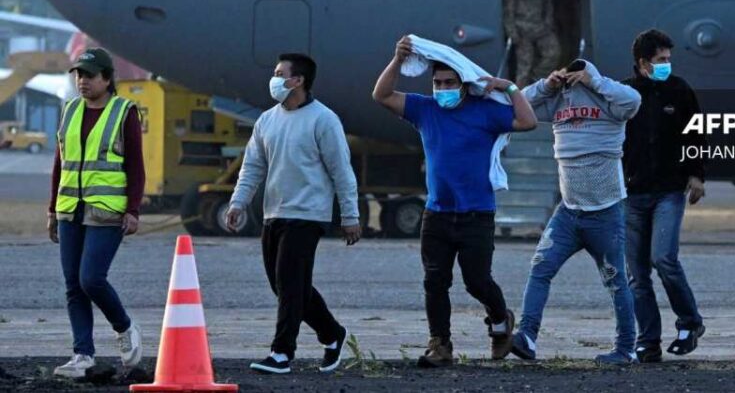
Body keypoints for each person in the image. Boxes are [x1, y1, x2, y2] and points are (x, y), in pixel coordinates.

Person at [373, 35, 538, 367]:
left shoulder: (485, 112)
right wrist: (397, 60)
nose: (443, 87)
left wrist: (508, 88)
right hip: (437, 214)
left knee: (477, 281)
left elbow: (527, 121)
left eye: (449, 82)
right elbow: (382, 94)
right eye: (437, 82)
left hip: (476, 214)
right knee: (435, 280)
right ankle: (440, 344)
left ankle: (499, 321)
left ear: (463, 84)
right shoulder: (426, 109)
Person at [227, 53, 361, 375]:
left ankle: (282, 353)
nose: (273, 79)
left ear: (297, 80)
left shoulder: (323, 120)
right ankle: (332, 333)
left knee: (289, 284)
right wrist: (237, 202)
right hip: (274, 212)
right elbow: (253, 166)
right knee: (285, 285)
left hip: (308, 214)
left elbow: (341, 170)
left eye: (279, 73)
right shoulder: (267, 120)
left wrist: (350, 215)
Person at [511, 60, 642, 365]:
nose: (574, 79)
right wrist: (547, 85)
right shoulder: (558, 100)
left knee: (615, 280)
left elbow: (634, 100)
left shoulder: (610, 101)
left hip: (605, 213)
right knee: (540, 268)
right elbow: (516, 105)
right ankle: (527, 337)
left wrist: (594, 80)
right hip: (568, 213)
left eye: (578, 73)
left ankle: (626, 349)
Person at [48, 48, 144, 379]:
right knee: (73, 285)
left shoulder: (124, 111)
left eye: (89, 75)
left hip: (106, 211)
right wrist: (52, 209)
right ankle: (82, 355)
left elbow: (135, 165)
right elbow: (60, 163)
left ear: (106, 78)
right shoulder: (70, 110)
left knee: (91, 278)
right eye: (78, 75)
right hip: (69, 209)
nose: (82, 81)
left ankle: (125, 328)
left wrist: (133, 209)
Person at [621, 29, 706, 362]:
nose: (666, 65)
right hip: (631, 193)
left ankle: (690, 322)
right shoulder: (625, 93)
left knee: (664, 259)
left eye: (669, 60)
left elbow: (696, 135)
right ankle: (648, 340)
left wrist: (697, 175)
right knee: (636, 274)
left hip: (669, 191)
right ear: (643, 62)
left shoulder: (679, 90)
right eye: (660, 60)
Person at [504, 0, 561, 86]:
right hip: (522, 29)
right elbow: (508, 12)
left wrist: (548, 23)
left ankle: (537, 78)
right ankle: (521, 96)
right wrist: (512, 32)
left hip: (540, 27)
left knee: (553, 52)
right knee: (525, 65)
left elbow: (548, 4)